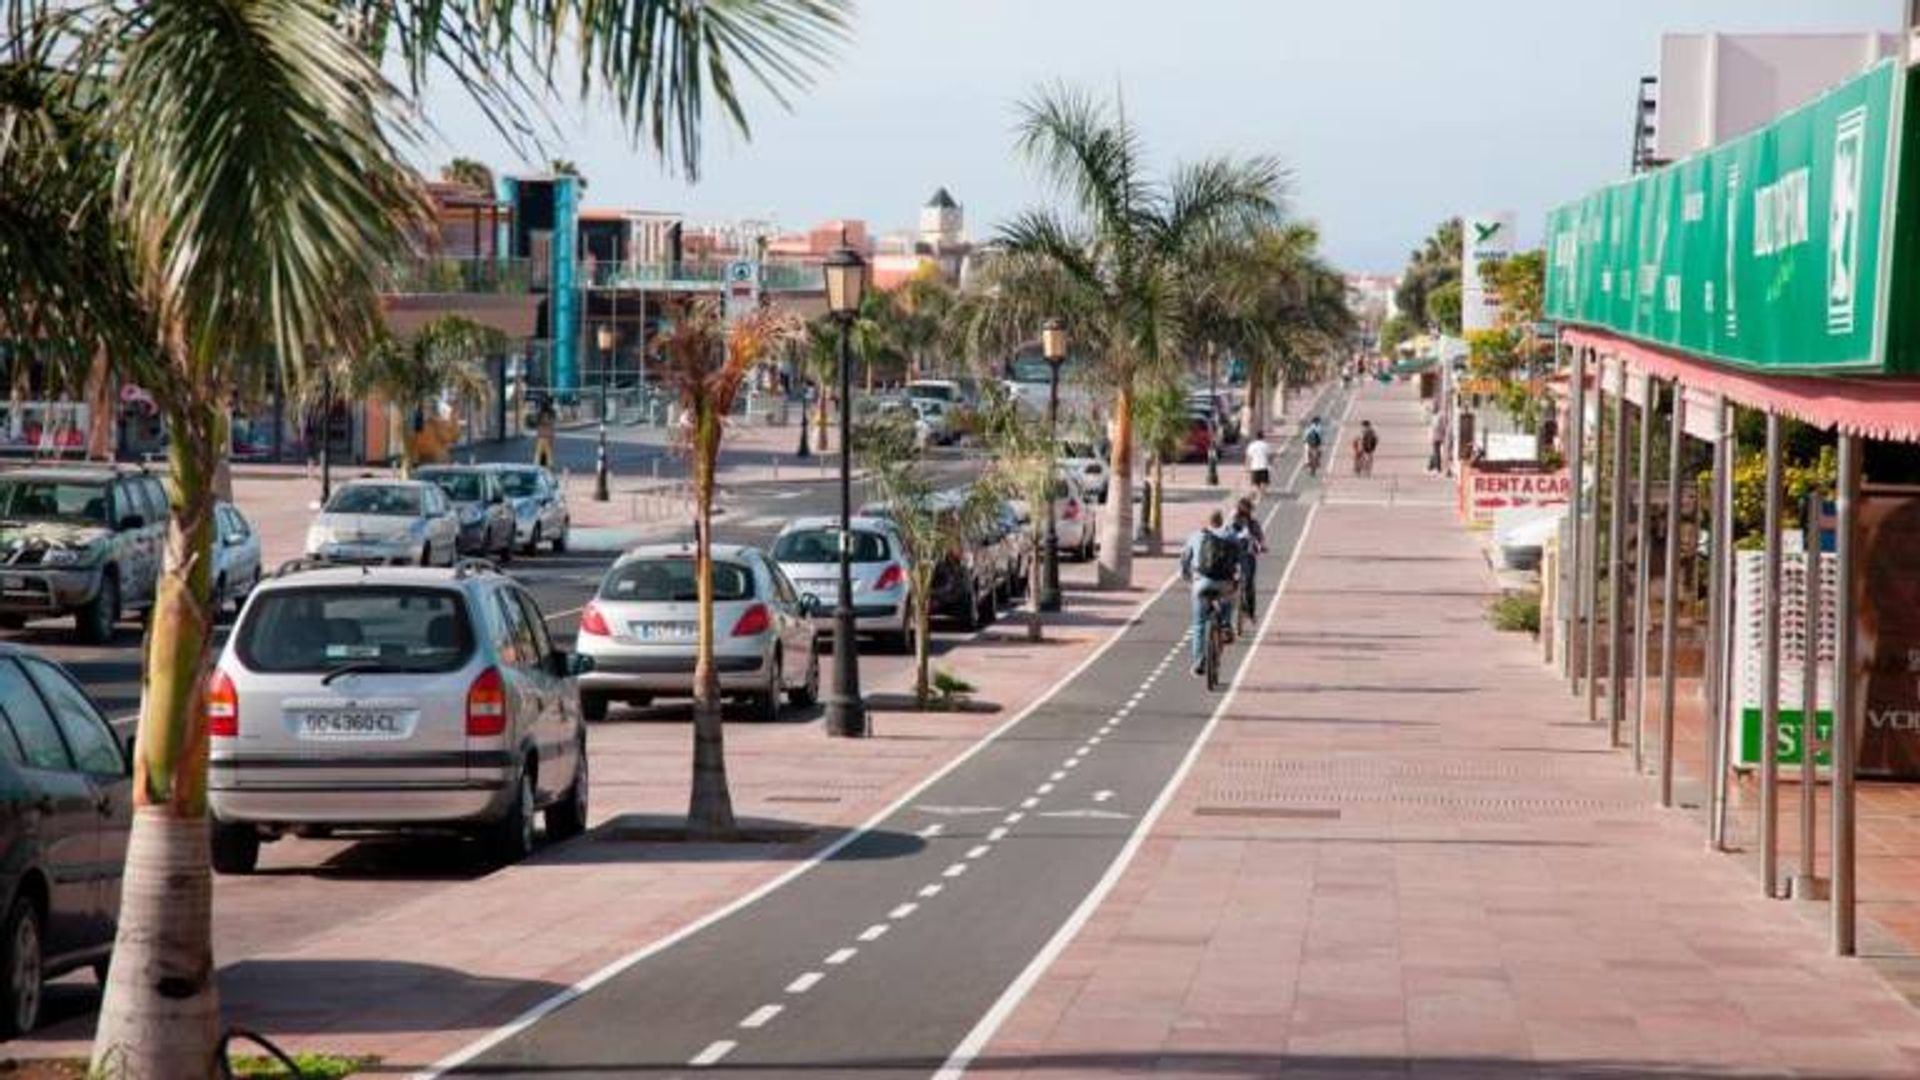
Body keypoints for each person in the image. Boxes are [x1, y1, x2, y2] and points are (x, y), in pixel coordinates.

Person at [1179, 509, 1243, 676]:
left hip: (1201, 583)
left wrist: (1186, 576)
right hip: (1224, 582)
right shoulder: (1231, 536)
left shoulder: (1196, 536)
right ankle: (1226, 625)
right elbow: (1239, 559)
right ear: (1222, 521)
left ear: (1206, 522)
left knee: (1199, 624)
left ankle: (1199, 662)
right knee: (1230, 596)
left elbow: (1185, 559)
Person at [1229, 496, 1267, 629]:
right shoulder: (1237, 523)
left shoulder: (1252, 524)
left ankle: (1249, 612)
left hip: (1241, 556)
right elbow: (1261, 538)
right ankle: (1248, 612)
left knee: (1247, 584)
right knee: (1245, 584)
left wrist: (1262, 545)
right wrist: (1262, 546)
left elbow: (1261, 538)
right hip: (1240, 556)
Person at [1244, 429, 1275, 494]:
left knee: (1255, 482)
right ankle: (1262, 492)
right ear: (1263, 437)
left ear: (1255, 437)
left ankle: (1258, 491)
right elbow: (1269, 456)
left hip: (1255, 466)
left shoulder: (1252, 445)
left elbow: (1248, 457)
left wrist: (1247, 466)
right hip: (1264, 465)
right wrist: (1271, 464)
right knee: (1264, 481)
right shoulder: (1266, 445)